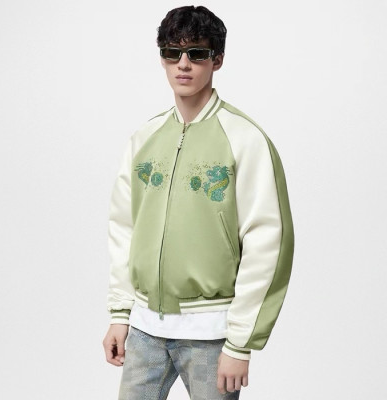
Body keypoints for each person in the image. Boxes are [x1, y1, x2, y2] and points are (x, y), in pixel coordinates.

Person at [103, 5, 294, 400]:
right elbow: (124, 229)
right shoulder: (145, 139)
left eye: (197, 53)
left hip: (212, 335)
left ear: (217, 59)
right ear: (162, 58)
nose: (183, 64)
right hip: (144, 330)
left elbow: (267, 242)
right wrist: (120, 313)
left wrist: (240, 343)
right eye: (173, 52)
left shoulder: (245, 139)